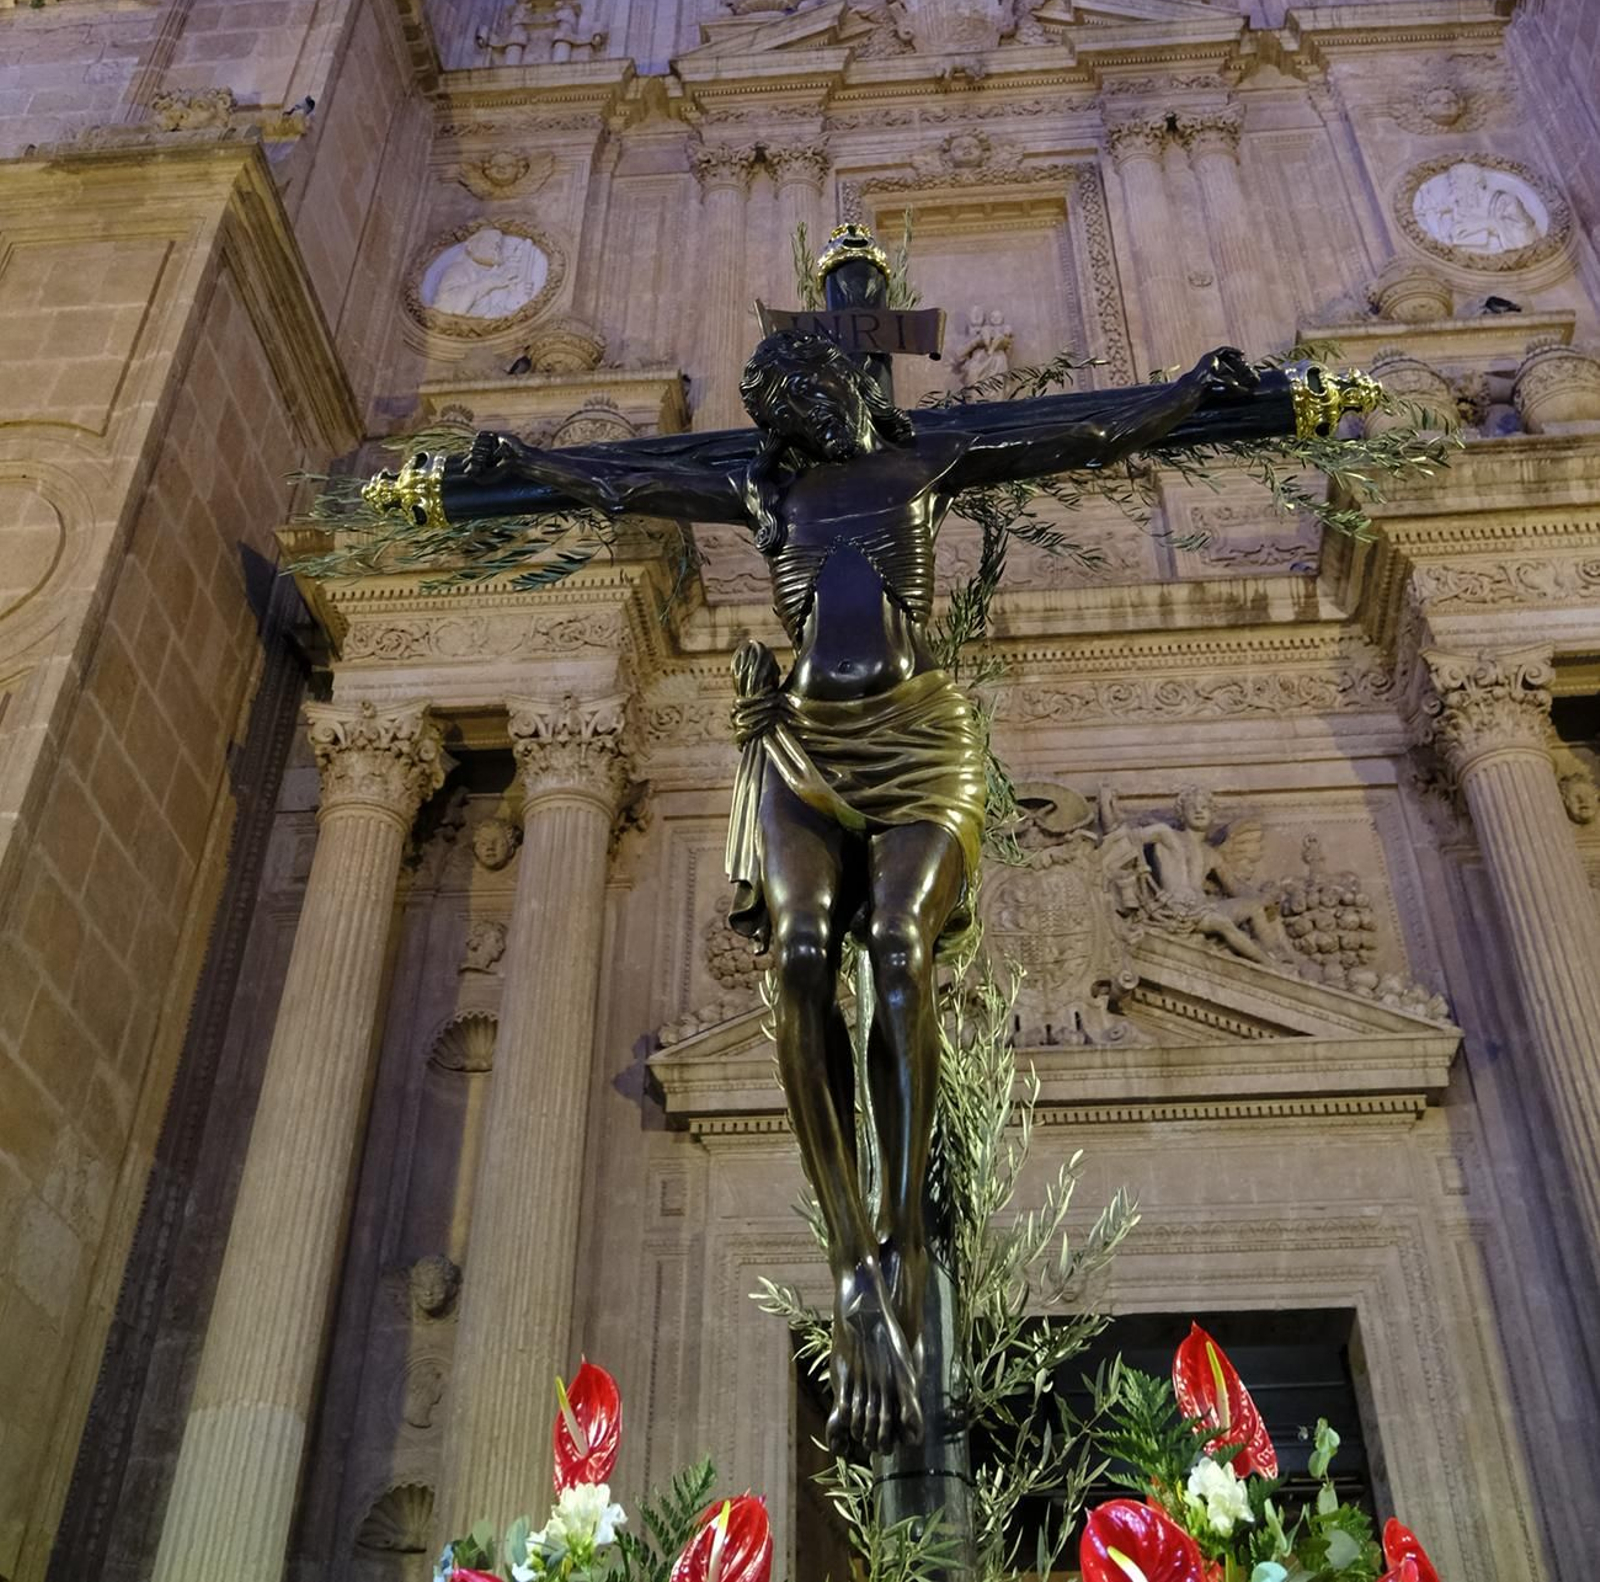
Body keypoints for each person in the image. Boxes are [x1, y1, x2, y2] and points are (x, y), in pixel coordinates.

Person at [395, 321, 1294, 1457]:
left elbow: (1079, 431)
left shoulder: (925, 456)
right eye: (777, 405)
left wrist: (1188, 393)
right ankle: (854, 1247)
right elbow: (622, 478)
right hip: (803, 744)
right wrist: (523, 463)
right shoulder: (762, 484)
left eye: (803, 395)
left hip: (917, 738)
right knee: (801, 955)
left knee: (899, 945)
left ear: (841, 387)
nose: (794, 417)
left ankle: (905, 1236)